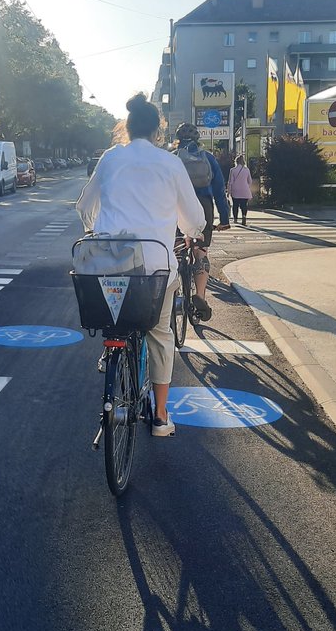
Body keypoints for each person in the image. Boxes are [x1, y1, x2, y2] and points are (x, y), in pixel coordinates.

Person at [77, 94, 206, 437]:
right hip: (154, 270)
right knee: (160, 333)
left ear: (128, 127)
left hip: (107, 265)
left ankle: (113, 348)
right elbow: (193, 218)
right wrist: (192, 234)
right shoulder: (169, 163)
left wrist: (95, 232)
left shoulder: (109, 158)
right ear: (158, 131)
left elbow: (85, 207)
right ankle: (161, 416)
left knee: (114, 317)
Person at [172, 122, 230, 321]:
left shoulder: (172, 159)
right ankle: (200, 295)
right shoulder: (208, 159)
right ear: (198, 139)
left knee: (176, 249)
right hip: (203, 206)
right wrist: (224, 218)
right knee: (200, 252)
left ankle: (174, 285)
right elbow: (220, 191)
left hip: (177, 207)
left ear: (178, 140)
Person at [227, 154, 253, 226]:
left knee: (235, 205)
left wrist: (228, 191)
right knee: (244, 205)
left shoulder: (232, 170)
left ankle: (235, 219)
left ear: (236, 161)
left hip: (235, 190)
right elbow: (250, 181)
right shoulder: (247, 170)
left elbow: (230, 182)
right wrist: (247, 187)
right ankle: (244, 216)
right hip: (245, 190)